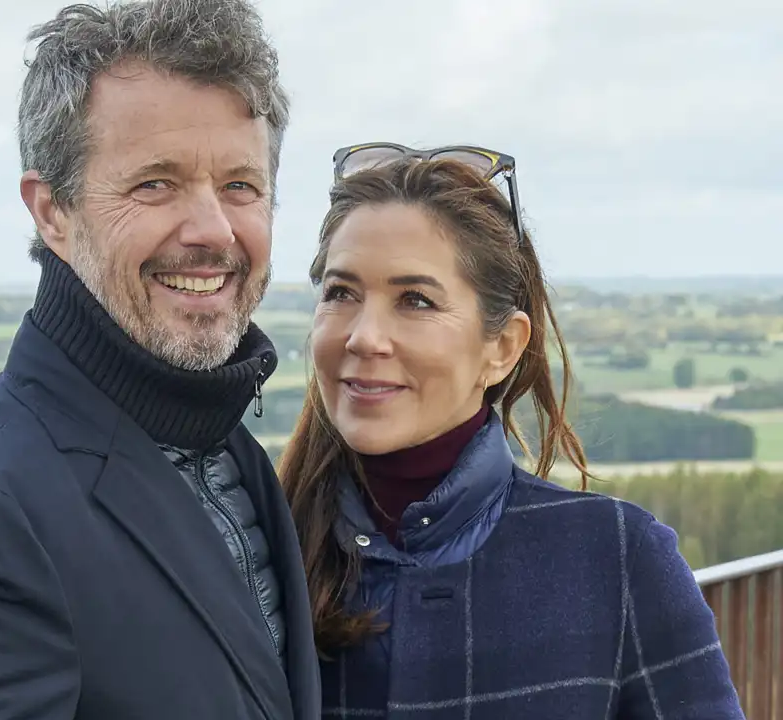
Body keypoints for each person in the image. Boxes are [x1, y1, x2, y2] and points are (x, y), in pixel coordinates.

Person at [0, 1, 322, 718]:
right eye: (154, 183)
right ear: (52, 212)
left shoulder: (220, 446)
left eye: (240, 186)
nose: (213, 230)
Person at [279, 146, 744, 719]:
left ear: (501, 348)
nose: (364, 336)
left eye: (415, 301)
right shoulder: (256, 554)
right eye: (341, 293)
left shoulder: (617, 561)